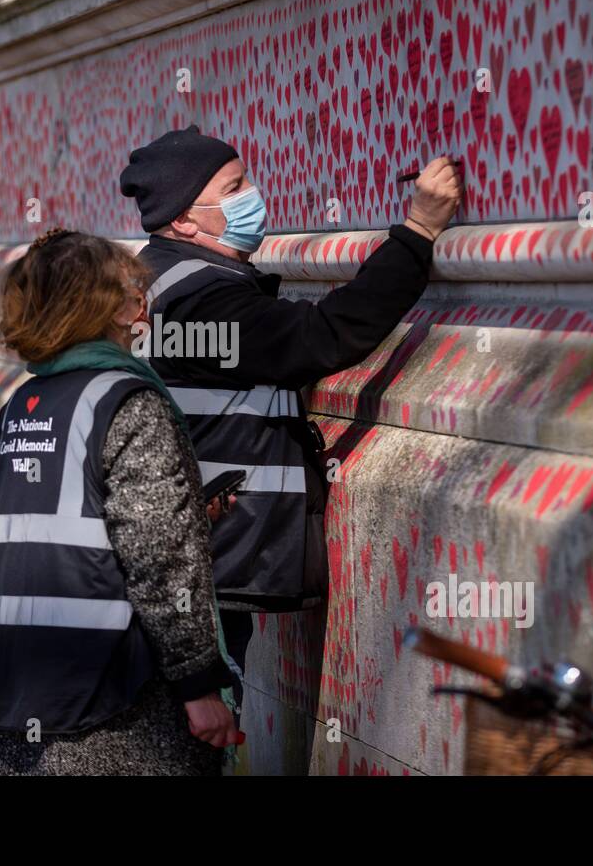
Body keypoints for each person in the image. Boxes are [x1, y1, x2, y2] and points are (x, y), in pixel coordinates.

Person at [119, 125, 463, 685]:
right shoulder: (199, 300)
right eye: (233, 188)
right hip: (208, 564)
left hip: (190, 553)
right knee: (196, 729)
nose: (252, 193)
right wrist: (419, 230)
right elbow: (323, 335)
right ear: (184, 220)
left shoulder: (157, 278)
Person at [0, 227, 242, 775]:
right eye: (134, 290)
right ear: (115, 310)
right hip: (119, 707)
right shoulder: (127, 402)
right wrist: (199, 683)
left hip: (21, 695)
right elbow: (158, 561)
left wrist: (190, 514)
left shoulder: (19, 408)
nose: (142, 303)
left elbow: (70, 530)